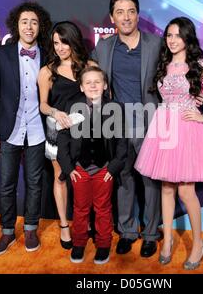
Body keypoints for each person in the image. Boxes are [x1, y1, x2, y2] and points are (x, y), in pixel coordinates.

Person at [92, 0, 203, 258]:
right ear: (112, 18)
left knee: (153, 182)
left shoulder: (156, 44)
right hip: (117, 124)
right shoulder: (103, 47)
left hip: (153, 123)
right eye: (120, 12)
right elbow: (91, 79)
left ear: (138, 15)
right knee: (124, 178)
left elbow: (182, 67)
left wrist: (195, 93)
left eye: (131, 11)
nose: (126, 17)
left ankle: (152, 234)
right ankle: (128, 230)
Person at [135, 17, 203, 270]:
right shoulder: (164, 63)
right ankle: (167, 242)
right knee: (166, 188)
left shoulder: (199, 64)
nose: (172, 39)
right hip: (164, 128)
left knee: (185, 191)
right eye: (169, 35)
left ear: (188, 37)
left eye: (178, 35)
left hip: (188, 130)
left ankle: (198, 243)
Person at [0, 1, 52, 255]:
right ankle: (7, 232)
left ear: (40, 26)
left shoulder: (48, 55)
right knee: (6, 184)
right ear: (16, 25)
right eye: (24, 21)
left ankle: (31, 229)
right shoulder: (0, 55)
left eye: (34, 22)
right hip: (8, 130)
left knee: (35, 182)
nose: (29, 26)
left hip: (37, 129)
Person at [57, 66, 127, 264]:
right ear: (81, 87)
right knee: (80, 208)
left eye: (97, 82)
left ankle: (103, 244)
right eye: (88, 82)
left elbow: (122, 141)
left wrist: (112, 167)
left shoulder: (116, 108)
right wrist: (69, 168)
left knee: (103, 208)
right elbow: (63, 140)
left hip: (104, 169)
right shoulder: (71, 106)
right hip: (79, 169)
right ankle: (79, 243)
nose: (93, 85)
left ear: (105, 85)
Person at [37, 21, 97, 250]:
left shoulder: (89, 66)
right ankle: (64, 225)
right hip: (57, 129)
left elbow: (101, 95)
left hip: (86, 130)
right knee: (60, 176)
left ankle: (87, 222)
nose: (60, 47)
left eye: (64, 42)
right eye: (55, 43)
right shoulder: (47, 71)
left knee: (87, 175)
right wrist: (56, 112)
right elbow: (42, 105)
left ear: (73, 40)